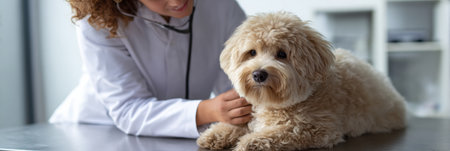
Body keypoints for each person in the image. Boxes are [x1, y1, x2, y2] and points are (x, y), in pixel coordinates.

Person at [49, 0, 252, 138]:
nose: (177, 0)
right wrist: (205, 110)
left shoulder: (222, 6)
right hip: (95, 131)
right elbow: (128, 109)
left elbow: (241, 83)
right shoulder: (98, 21)